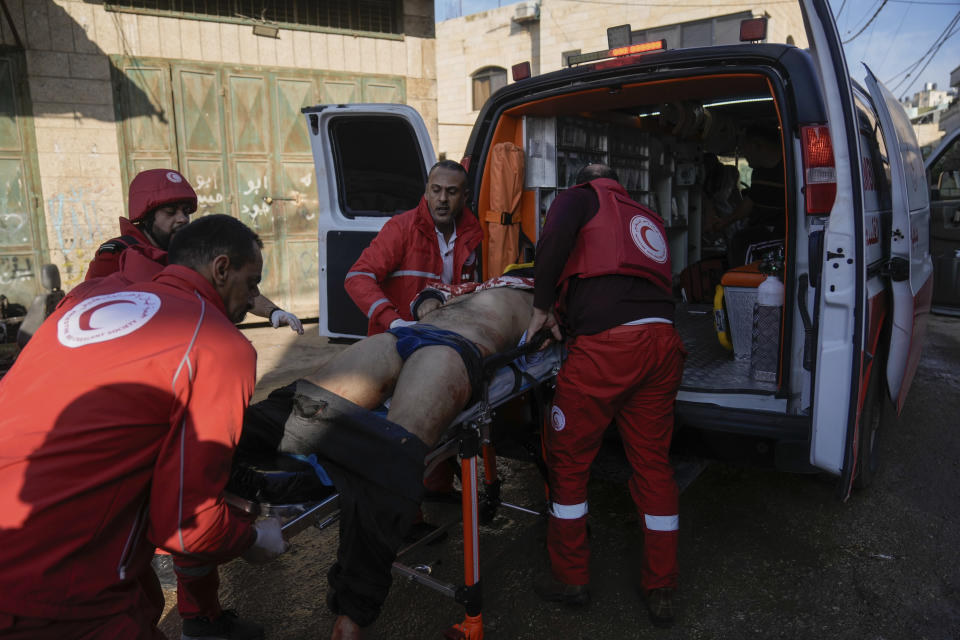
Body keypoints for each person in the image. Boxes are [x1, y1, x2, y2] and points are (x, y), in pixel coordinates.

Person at [0, 215, 288, 639]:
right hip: (56, 584)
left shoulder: (87, 301)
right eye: (251, 282)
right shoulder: (217, 344)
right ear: (221, 268)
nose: (252, 299)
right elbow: (186, 525)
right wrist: (251, 538)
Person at [237, 274, 538, 640]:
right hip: (401, 337)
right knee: (300, 406)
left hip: (457, 347)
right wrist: (428, 302)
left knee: (392, 452)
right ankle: (229, 469)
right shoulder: (485, 281)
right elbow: (428, 297)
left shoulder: (549, 295)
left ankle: (353, 609)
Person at [526, 164, 687, 628]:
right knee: (653, 465)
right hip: (663, 344)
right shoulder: (646, 217)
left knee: (569, 463)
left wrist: (542, 308)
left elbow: (554, 241)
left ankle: (570, 577)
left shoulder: (579, 197)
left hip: (608, 350)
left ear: (583, 179)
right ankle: (662, 587)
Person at [86, 167, 304, 334]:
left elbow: (235, 287)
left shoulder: (188, 252)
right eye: (171, 212)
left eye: (186, 212)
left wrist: (274, 312)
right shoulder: (115, 255)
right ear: (145, 218)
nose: (182, 219)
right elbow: (89, 313)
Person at [344, 160, 482, 335]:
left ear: (465, 196)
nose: (442, 199)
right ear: (426, 192)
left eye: (452, 192)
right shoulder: (400, 228)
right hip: (396, 337)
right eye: (436, 190)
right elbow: (357, 277)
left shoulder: (473, 235)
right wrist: (393, 322)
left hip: (449, 335)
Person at [706, 127, 786, 267]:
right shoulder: (759, 173)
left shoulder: (789, 168)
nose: (743, 153)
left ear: (757, 145)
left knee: (742, 242)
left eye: (744, 147)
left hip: (782, 233)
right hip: (762, 229)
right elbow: (749, 203)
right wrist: (724, 222)